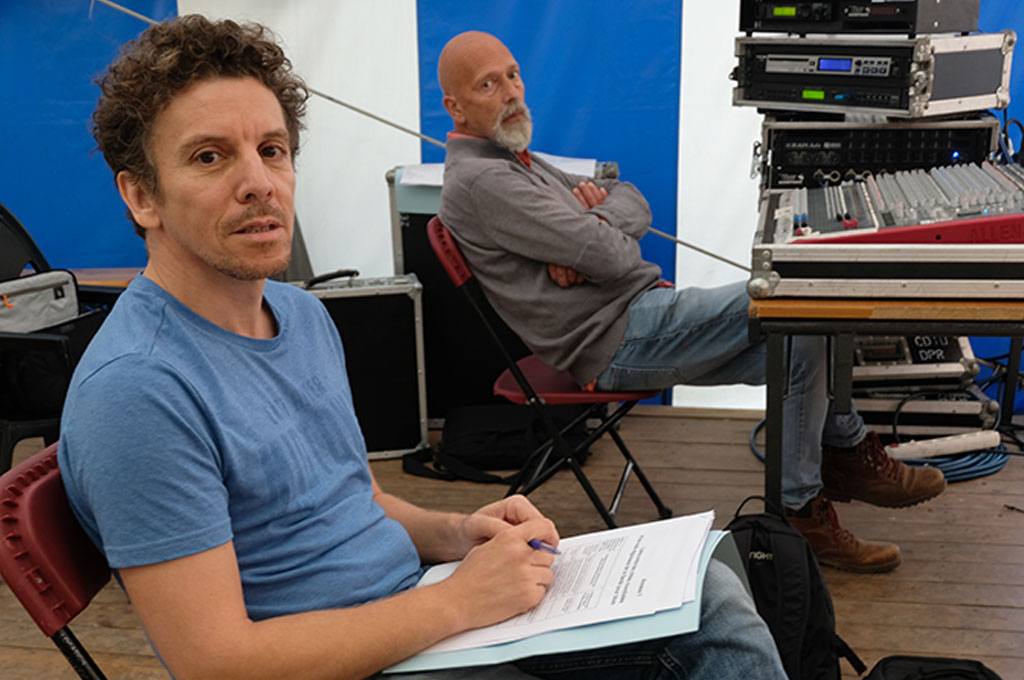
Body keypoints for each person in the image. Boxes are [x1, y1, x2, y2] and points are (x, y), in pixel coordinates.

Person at [58, 15, 787, 680]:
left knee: (709, 586)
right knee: (708, 621)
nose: (259, 183)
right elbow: (216, 663)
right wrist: (459, 601)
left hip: (416, 612)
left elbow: (359, 501)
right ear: (141, 196)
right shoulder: (138, 390)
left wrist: (460, 533)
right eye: (210, 157)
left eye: (272, 150)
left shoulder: (300, 316)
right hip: (362, 650)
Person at [436, 30, 948, 574]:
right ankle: (821, 486)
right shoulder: (484, 179)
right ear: (455, 107)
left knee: (804, 339)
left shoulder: (516, 158)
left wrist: (595, 219)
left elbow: (629, 195)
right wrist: (595, 234)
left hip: (637, 316)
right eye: (488, 84)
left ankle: (823, 484)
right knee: (796, 295)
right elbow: (612, 256)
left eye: (513, 74)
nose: (511, 91)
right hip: (614, 339)